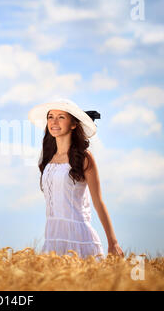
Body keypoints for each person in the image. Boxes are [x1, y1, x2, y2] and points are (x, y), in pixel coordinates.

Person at [28, 98, 124, 260]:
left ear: (73, 124)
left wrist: (113, 242)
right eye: (50, 116)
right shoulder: (48, 159)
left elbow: (98, 202)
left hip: (79, 237)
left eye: (61, 117)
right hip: (52, 236)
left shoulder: (84, 158)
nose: (54, 121)